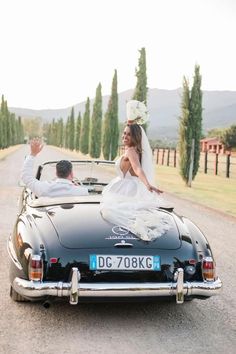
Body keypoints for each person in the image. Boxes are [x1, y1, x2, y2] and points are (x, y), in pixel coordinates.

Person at [100, 100, 171, 241]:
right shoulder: (136, 150)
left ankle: (126, 236)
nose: (124, 137)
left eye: (128, 135)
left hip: (126, 187)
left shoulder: (131, 151)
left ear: (135, 137)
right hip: (130, 186)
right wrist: (130, 121)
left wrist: (147, 184)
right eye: (124, 133)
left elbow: (138, 169)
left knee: (110, 212)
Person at [21, 138, 89, 198]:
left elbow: (26, 177)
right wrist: (78, 188)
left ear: (56, 173)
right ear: (71, 174)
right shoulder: (82, 192)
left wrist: (33, 154)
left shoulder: (44, 188)